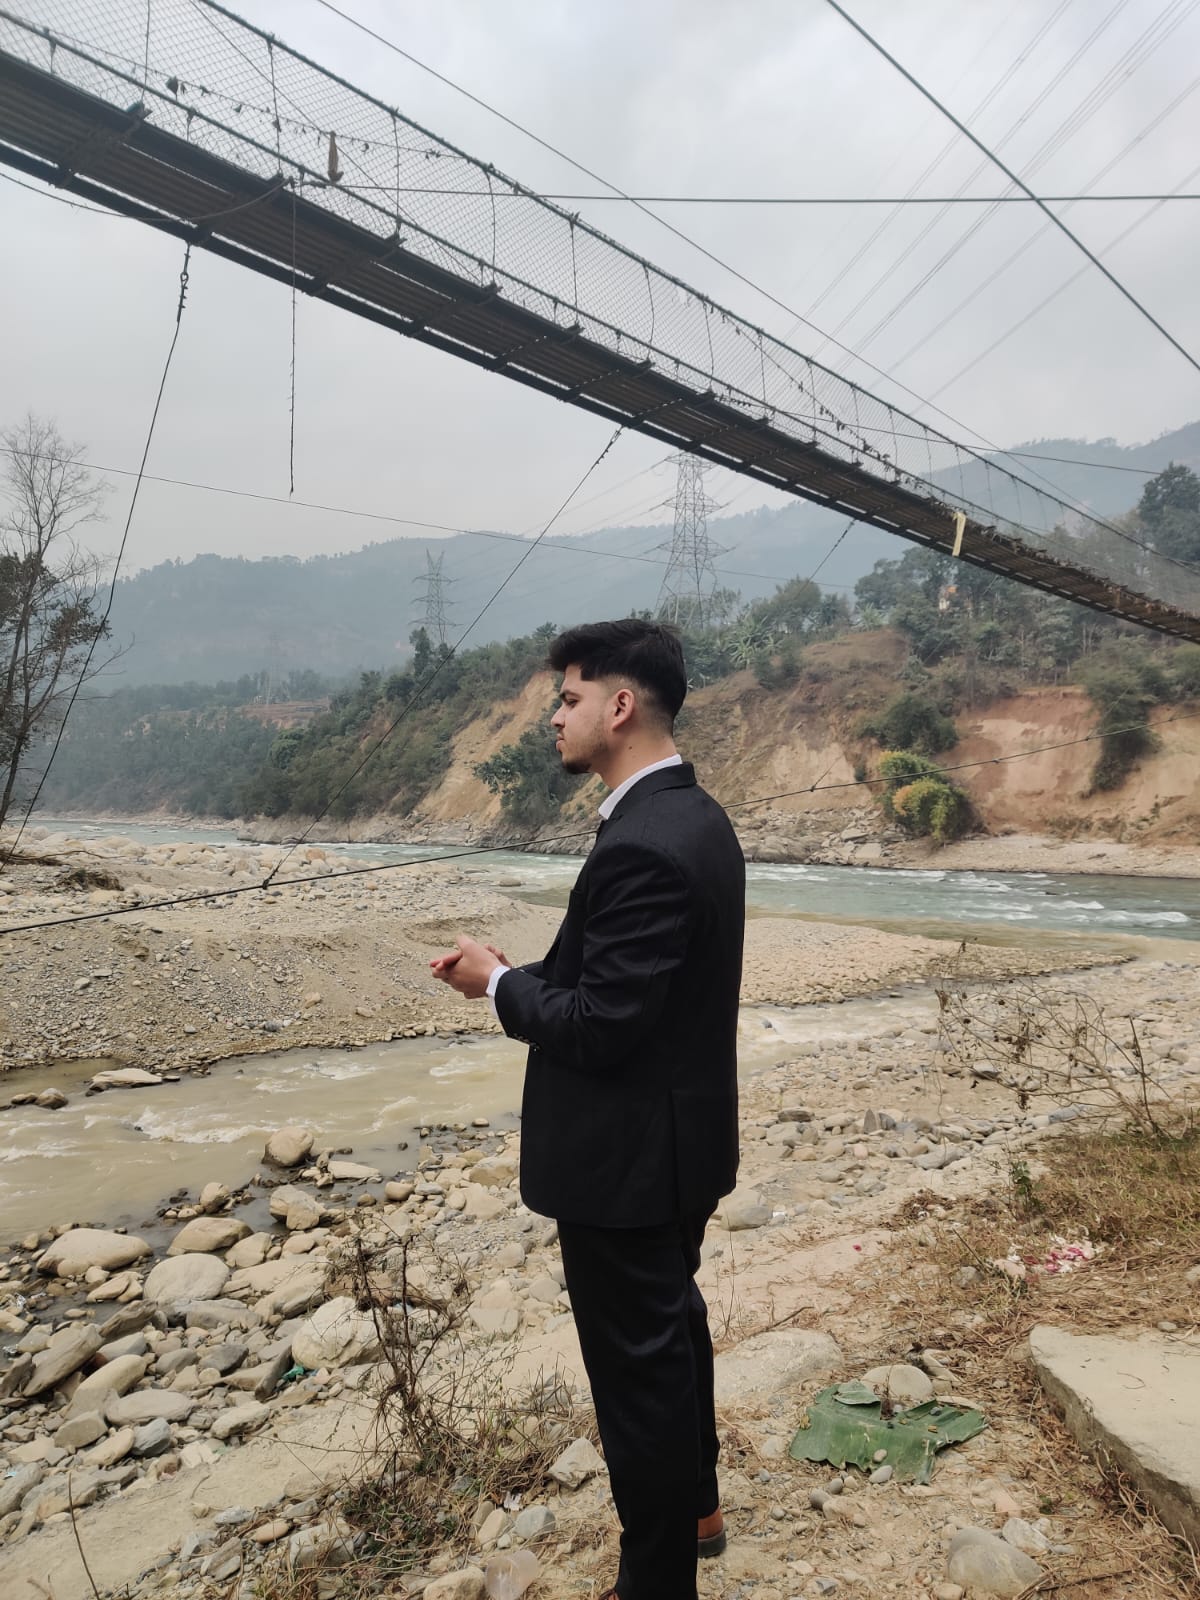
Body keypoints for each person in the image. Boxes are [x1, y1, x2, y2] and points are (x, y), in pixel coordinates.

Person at [431, 617, 745, 1600]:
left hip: (627, 1169)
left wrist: (495, 984)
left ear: (619, 705)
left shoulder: (643, 841)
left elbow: (602, 1027)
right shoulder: (693, 816)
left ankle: (656, 1583)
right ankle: (698, 1506)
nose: (553, 718)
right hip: (679, 1148)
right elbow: (631, 989)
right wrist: (521, 974)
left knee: (638, 1380)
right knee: (672, 1329)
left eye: (567, 699)